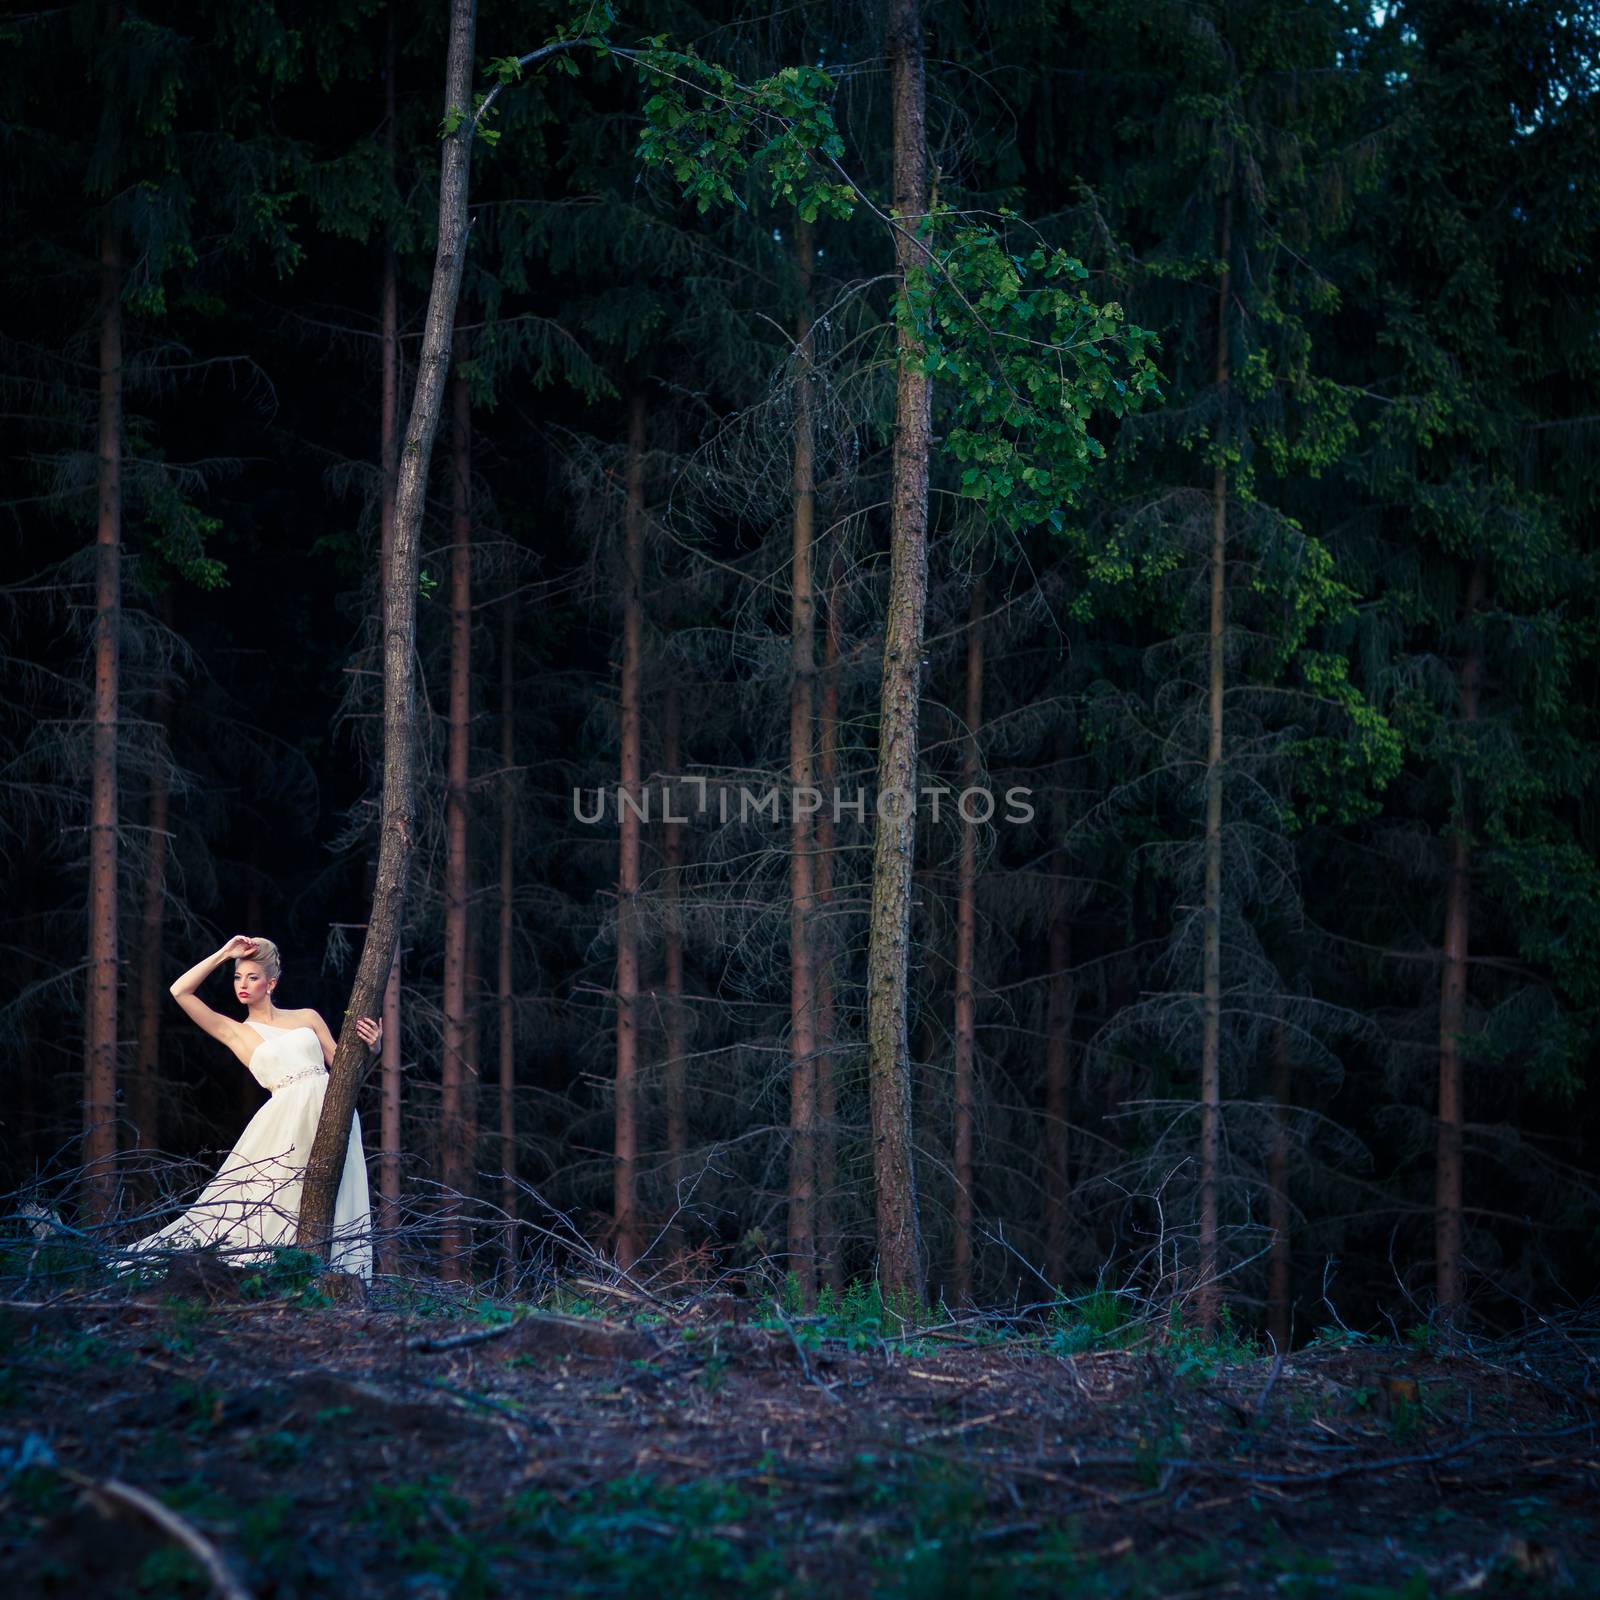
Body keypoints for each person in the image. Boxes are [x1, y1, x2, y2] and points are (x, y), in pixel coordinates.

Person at [120, 935, 378, 1281]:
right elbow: (179, 992)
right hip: (286, 1119)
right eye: (238, 977)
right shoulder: (235, 1032)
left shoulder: (307, 1017)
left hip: (332, 1110)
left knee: (337, 1190)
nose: (242, 984)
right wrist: (224, 955)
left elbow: (346, 1071)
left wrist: (373, 1050)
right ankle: (284, 1274)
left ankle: (336, 1280)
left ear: (271, 983)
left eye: (252, 977)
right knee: (279, 1200)